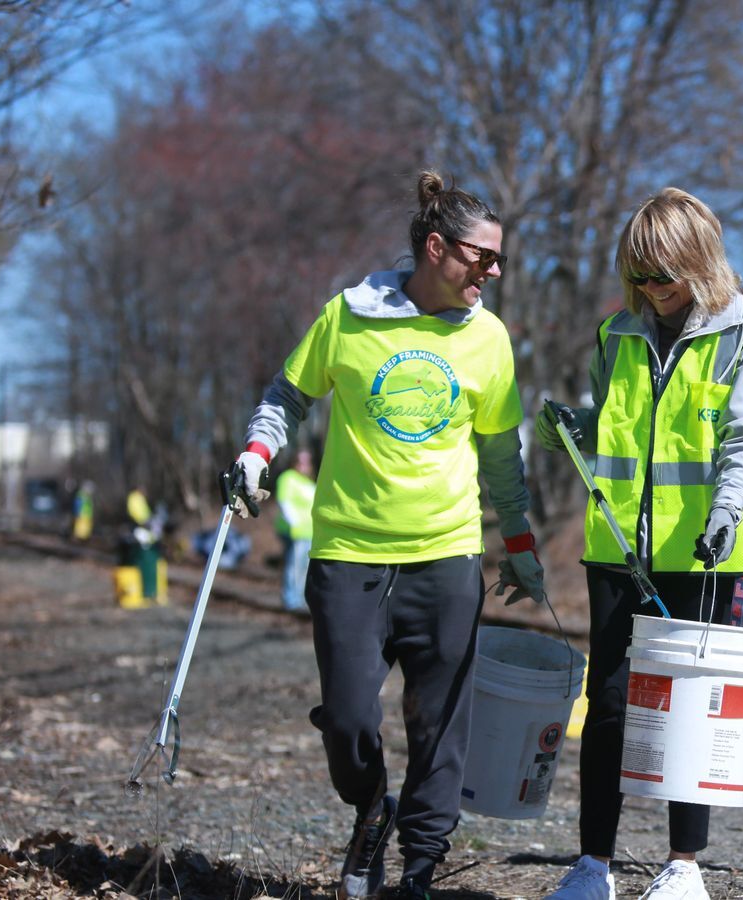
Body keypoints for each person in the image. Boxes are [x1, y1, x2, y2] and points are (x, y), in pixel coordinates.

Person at [224, 170, 547, 900]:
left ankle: (420, 872)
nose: (493, 273)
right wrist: (256, 452)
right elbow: (288, 394)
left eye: (500, 260)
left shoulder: (489, 339)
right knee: (347, 719)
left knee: (439, 731)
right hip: (348, 556)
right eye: (482, 257)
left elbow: (500, 453)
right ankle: (370, 808)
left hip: (447, 556)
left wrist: (520, 545)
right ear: (436, 248)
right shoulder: (350, 316)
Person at [534, 187, 743, 900]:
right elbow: (617, 430)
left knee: (691, 708)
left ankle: (684, 866)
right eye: (639, 275)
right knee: (610, 704)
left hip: (710, 550)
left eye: (664, 275)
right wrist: (575, 431)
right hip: (618, 547)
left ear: (699, 262)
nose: (651, 290)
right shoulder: (616, 334)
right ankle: (594, 866)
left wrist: (728, 509)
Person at [273, 447, 317, 612]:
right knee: (294, 565)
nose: (304, 465)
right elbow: (284, 501)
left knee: (305, 567)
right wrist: (295, 522)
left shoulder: (309, 483)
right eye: (301, 461)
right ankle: (290, 599)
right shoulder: (288, 478)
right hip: (294, 531)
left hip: (309, 532)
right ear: (294, 462)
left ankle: (300, 598)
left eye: (307, 462)